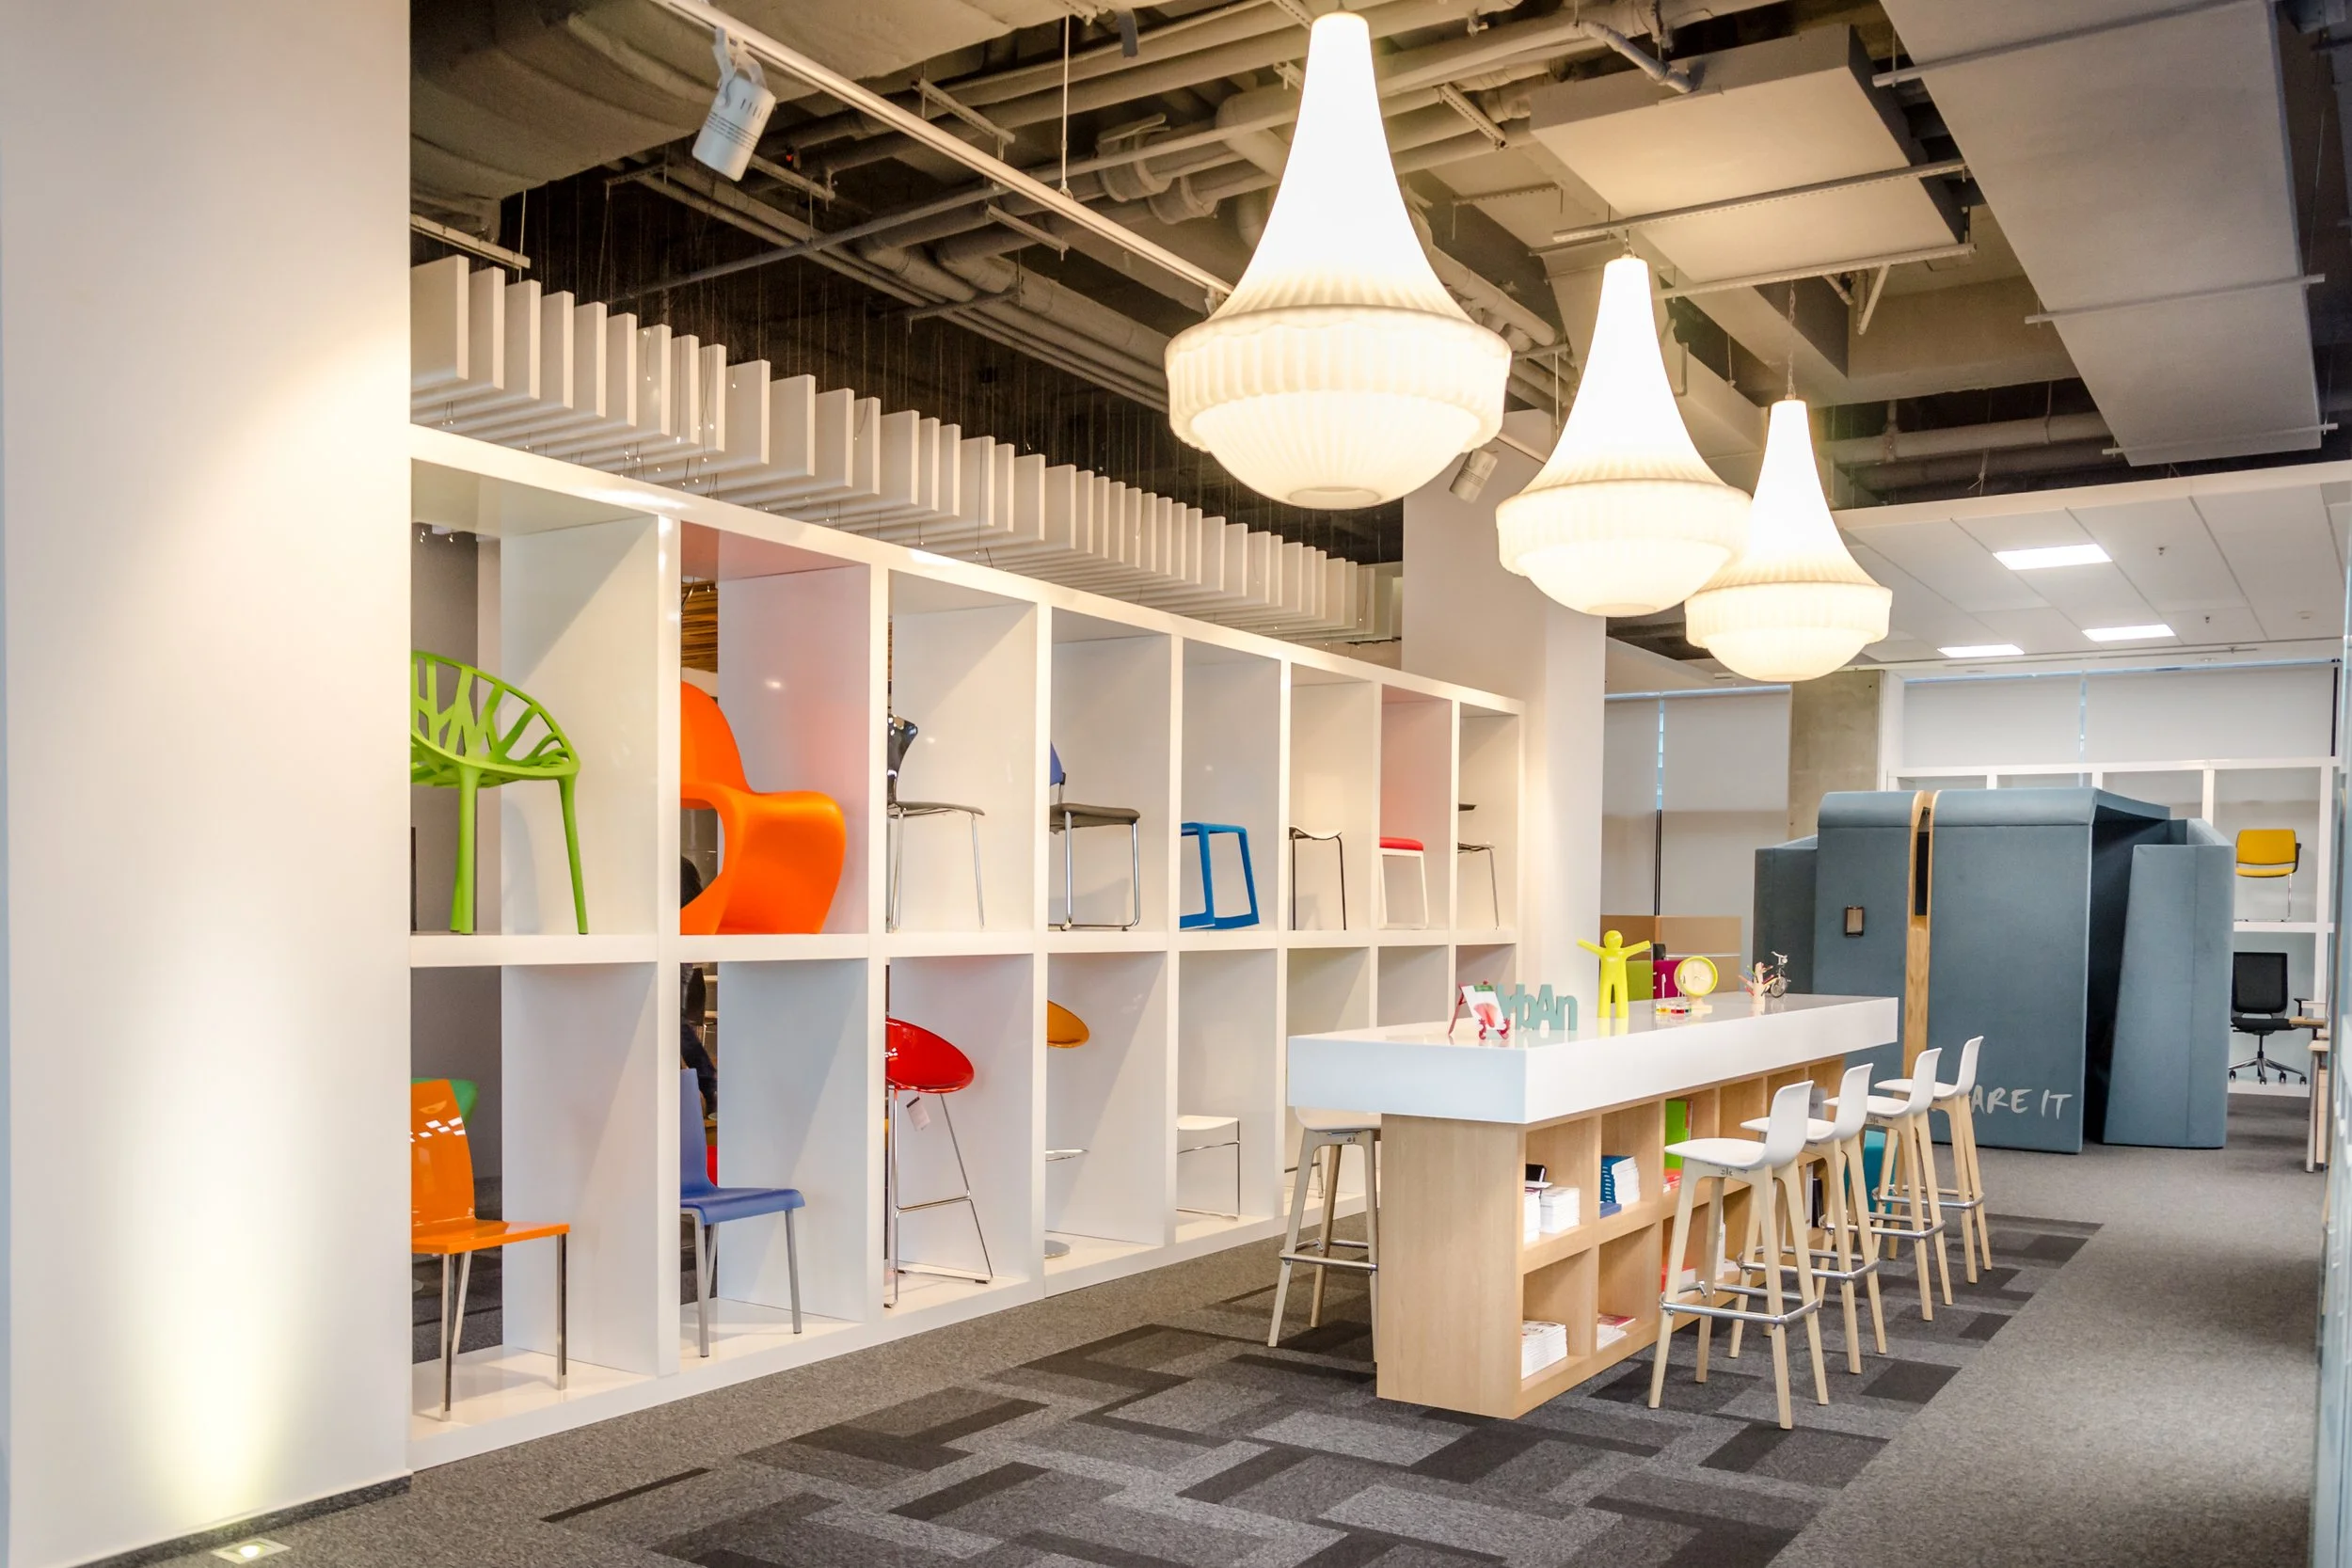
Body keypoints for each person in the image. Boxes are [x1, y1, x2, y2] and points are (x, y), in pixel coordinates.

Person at [680, 858, 717, 1115]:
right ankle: (707, 1085)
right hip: (682, 951)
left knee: (673, 1025)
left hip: (675, 951)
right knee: (674, 1025)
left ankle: (707, 1084)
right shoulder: (681, 865)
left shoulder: (670, 865)